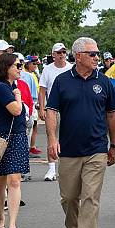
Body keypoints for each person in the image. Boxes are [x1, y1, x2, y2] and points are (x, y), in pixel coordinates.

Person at [46, 37, 115, 228]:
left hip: (96, 149)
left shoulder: (105, 82)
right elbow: (51, 111)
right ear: (78, 56)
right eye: (92, 54)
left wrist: (113, 145)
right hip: (68, 150)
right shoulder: (62, 81)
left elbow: (112, 115)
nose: (97, 58)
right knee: (69, 198)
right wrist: (51, 139)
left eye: (98, 54)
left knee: (90, 197)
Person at [0, 53, 29, 228]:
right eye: (17, 65)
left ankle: (12, 223)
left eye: (21, 65)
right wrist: (18, 96)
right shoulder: (2, 88)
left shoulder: (13, 86)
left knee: (15, 180)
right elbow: (16, 110)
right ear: (6, 68)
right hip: (0, 137)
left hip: (16, 137)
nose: (20, 69)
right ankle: (1, 218)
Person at [38, 43, 72, 181]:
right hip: (53, 108)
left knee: (69, 137)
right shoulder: (47, 69)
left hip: (69, 107)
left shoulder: (71, 68)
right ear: (53, 55)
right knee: (51, 137)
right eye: (59, 53)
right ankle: (51, 169)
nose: (62, 55)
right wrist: (41, 108)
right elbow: (42, 90)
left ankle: (67, 168)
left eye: (63, 52)